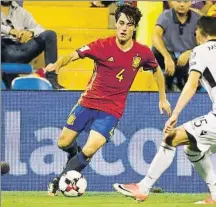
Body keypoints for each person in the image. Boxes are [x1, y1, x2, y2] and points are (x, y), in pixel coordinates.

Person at [114, 16, 216, 204]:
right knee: (193, 150)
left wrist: (175, 114)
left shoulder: (199, 51)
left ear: (197, 32)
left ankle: (143, 188)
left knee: (170, 138)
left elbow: (191, 85)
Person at [45, 4, 171, 196]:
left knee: (91, 147)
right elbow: (72, 55)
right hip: (87, 103)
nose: (124, 28)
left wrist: (163, 98)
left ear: (134, 27)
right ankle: (73, 154)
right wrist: (57, 65)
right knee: (63, 143)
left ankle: (60, 180)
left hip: (112, 110)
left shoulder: (142, 52)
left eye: (129, 25)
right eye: (121, 23)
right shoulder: (101, 46)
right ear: (116, 23)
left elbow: (156, 70)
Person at [1, 1, 62, 89]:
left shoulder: (21, 12)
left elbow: (40, 28)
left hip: (19, 49)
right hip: (3, 48)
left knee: (50, 35)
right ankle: (8, 79)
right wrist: (10, 31)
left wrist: (31, 33)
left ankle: (51, 79)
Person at [153, 1, 200, 91]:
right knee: (154, 50)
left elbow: (204, 42)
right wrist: (167, 57)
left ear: (190, 2)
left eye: (185, 1)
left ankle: (181, 81)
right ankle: (166, 80)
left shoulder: (198, 19)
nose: (181, 4)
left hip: (188, 59)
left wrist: (190, 52)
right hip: (169, 56)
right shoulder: (165, 16)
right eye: (178, 1)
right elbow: (155, 36)